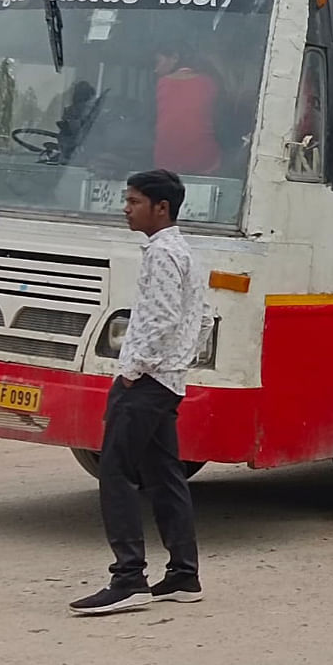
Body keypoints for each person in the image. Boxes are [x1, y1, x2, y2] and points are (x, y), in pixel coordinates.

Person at [70, 169, 212, 616]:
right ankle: (183, 574)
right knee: (164, 473)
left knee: (115, 470)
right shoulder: (182, 250)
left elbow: (163, 316)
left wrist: (133, 370)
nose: (126, 208)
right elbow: (202, 318)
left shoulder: (163, 253)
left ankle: (128, 577)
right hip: (166, 380)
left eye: (133, 201)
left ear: (161, 207)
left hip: (147, 381)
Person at [152, 45, 221, 176]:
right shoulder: (210, 83)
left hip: (165, 165)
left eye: (157, 62)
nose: (155, 69)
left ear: (175, 57)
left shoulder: (160, 84)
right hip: (206, 163)